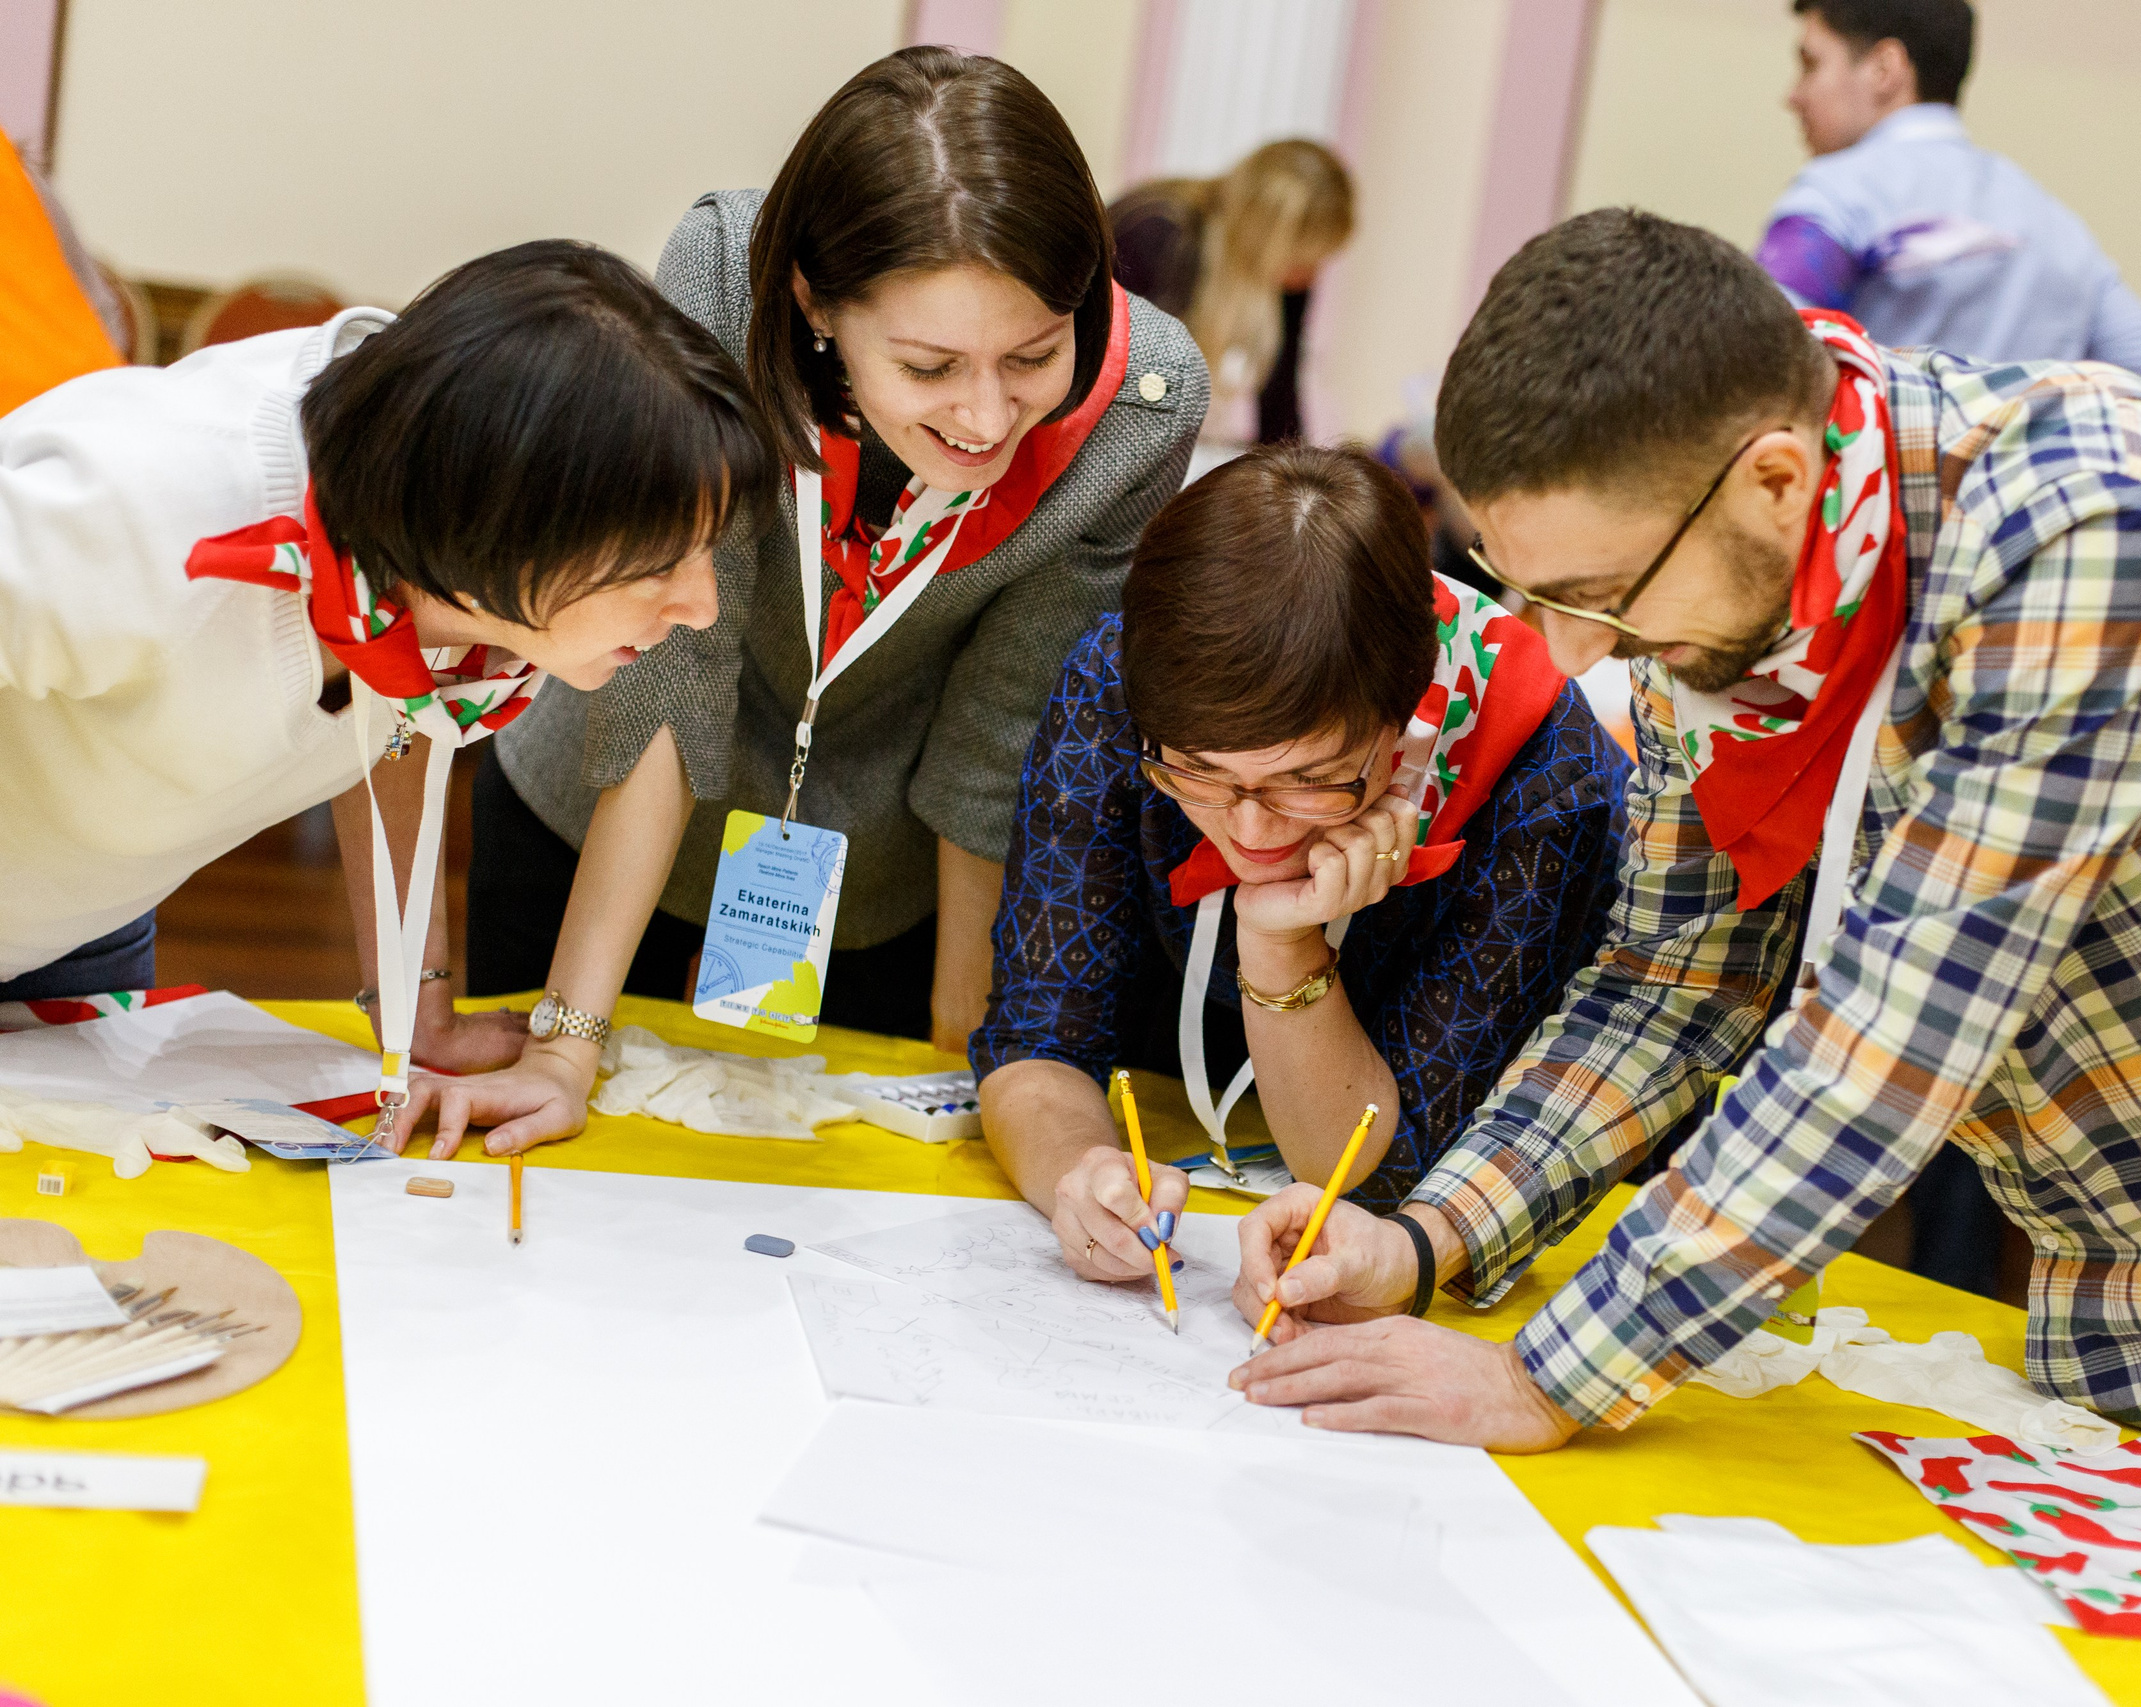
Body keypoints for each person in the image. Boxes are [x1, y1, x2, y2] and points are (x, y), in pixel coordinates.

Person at [1223, 209, 2141, 1561]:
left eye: (1604, 596)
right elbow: (1669, 990)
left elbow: (1895, 1036)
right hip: (2140, 1226)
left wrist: (1546, 1374)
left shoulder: (2088, 531)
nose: (1573, 655)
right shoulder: (1736, 603)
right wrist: (1431, 1236)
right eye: (1534, 598)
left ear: (1777, 477)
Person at [468, 49, 1207, 1083]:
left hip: (871, 879)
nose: (987, 417)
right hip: (599, 821)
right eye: (928, 366)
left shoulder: (1141, 403)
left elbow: (1001, 736)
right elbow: (674, 663)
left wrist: (970, 1045)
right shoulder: (730, 279)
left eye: (1034, 355)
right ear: (816, 304)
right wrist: (565, 1045)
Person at [0, 242, 774, 1153]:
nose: (703, 606)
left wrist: (418, 1002)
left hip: (85, 911)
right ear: (507, 537)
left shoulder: (430, 540)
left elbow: (398, 713)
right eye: (658, 566)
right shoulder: (132, 510)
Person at [972, 443, 1627, 1286]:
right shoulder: (1120, 683)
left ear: (1407, 717)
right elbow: (1036, 1036)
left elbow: (1380, 1177)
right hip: (1186, 1152)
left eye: (1309, 779)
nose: (1249, 826)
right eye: (1202, 772)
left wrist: (1283, 941)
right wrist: (1082, 1173)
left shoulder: (1540, 770)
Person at [1761, 0, 2141, 414]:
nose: (1792, 96)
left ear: (1885, 69)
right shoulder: (2057, 226)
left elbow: (1751, 357)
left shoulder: (1841, 191)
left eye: (1810, 65)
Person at [1110, 138, 1353, 472]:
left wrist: (1301, 481)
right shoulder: (1158, 235)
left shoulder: (1283, 272)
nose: (1309, 277)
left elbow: (1279, 400)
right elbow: (1126, 394)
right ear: (1267, 237)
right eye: (1302, 259)